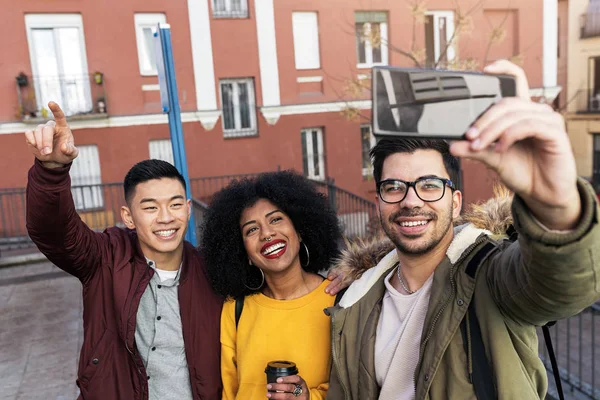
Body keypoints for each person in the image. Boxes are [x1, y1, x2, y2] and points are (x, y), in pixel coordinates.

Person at [326, 60, 600, 400]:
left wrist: (555, 206)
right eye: (394, 186)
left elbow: (562, 286)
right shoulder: (357, 300)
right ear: (379, 201)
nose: (411, 201)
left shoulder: (490, 275)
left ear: (456, 203)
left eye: (428, 185)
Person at [24, 102, 223, 400]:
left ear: (189, 209)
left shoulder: (214, 274)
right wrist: (52, 171)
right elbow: (54, 233)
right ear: (128, 216)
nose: (166, 217)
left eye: (175, 204)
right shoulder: (106, 258)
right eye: (150, 207)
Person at [200, 171, 342, 400]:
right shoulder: (235, 309)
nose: (267, 233)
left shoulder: (338, 300)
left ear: (300, 230)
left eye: (276, 219)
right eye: (251, 229)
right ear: (243, 252)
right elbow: (229, 393)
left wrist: (307, 396)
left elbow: (353, 388)